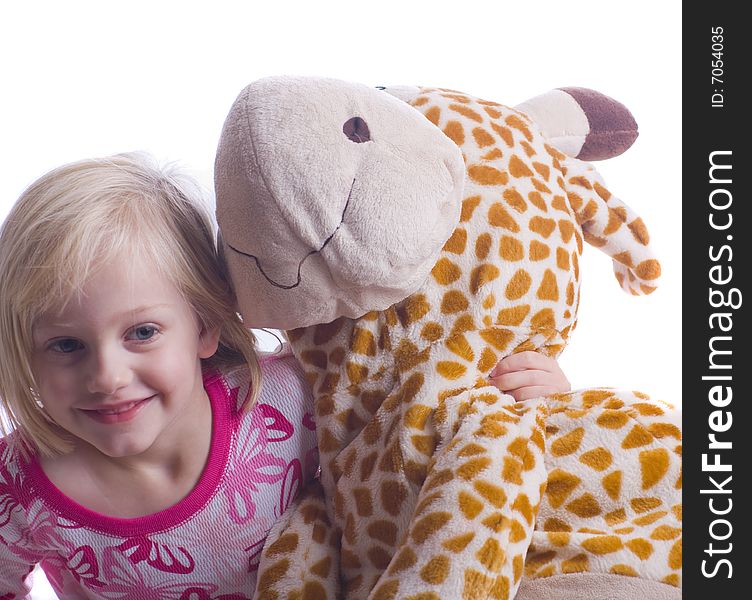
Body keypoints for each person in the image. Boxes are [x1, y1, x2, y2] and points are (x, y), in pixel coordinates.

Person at [0, 153, 569, 598]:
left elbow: (419, 430)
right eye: (66, 344)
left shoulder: (287, 399)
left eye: (142, 332)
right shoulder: (17, 488)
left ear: (205, 325)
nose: (107, 375)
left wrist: (537, 398)